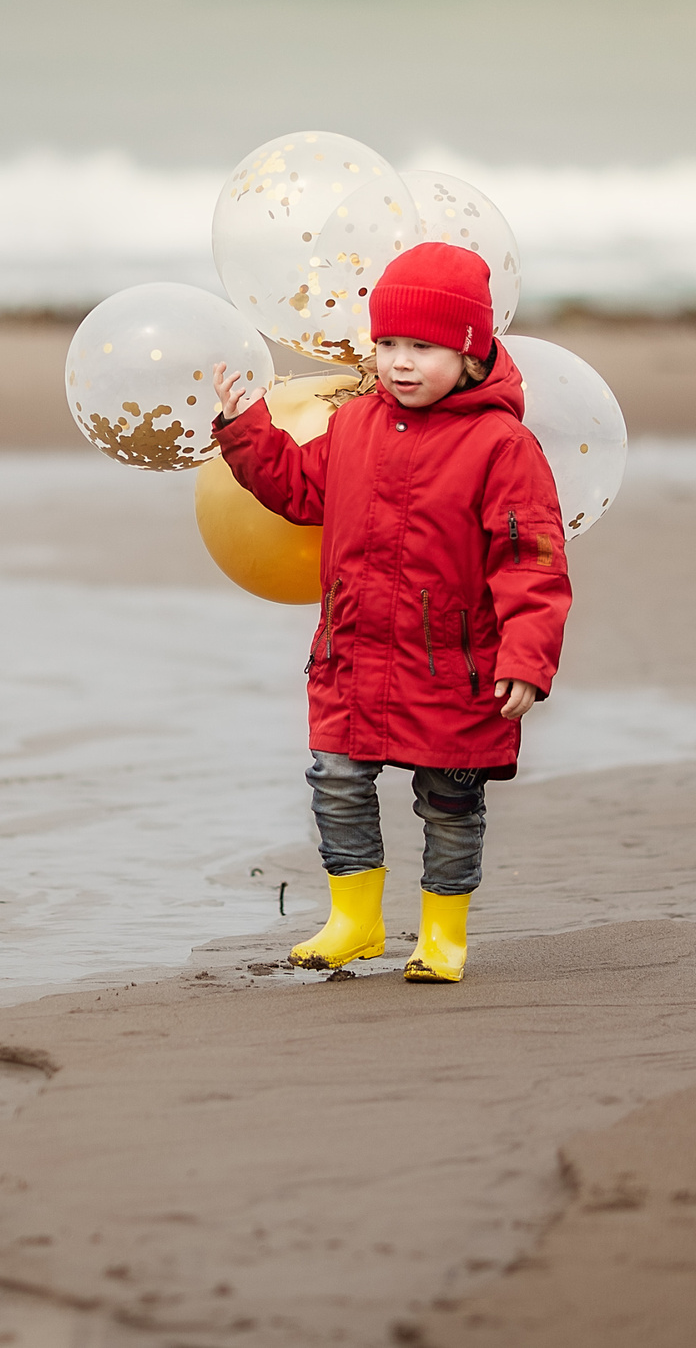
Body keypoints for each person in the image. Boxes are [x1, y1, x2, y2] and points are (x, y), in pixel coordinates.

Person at [210, 242, 572, 983]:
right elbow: (299, 490)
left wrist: (527, 658)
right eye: (388, 344)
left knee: (448, 799)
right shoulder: (355, 425)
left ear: (471, 354)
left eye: (424, 347)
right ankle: (355, 917)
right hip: (353, 650)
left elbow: (531, 561)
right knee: (335, 780)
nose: (401, 362)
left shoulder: (502, 445)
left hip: (452, 662)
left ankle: (442, 931)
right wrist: (244, 427)